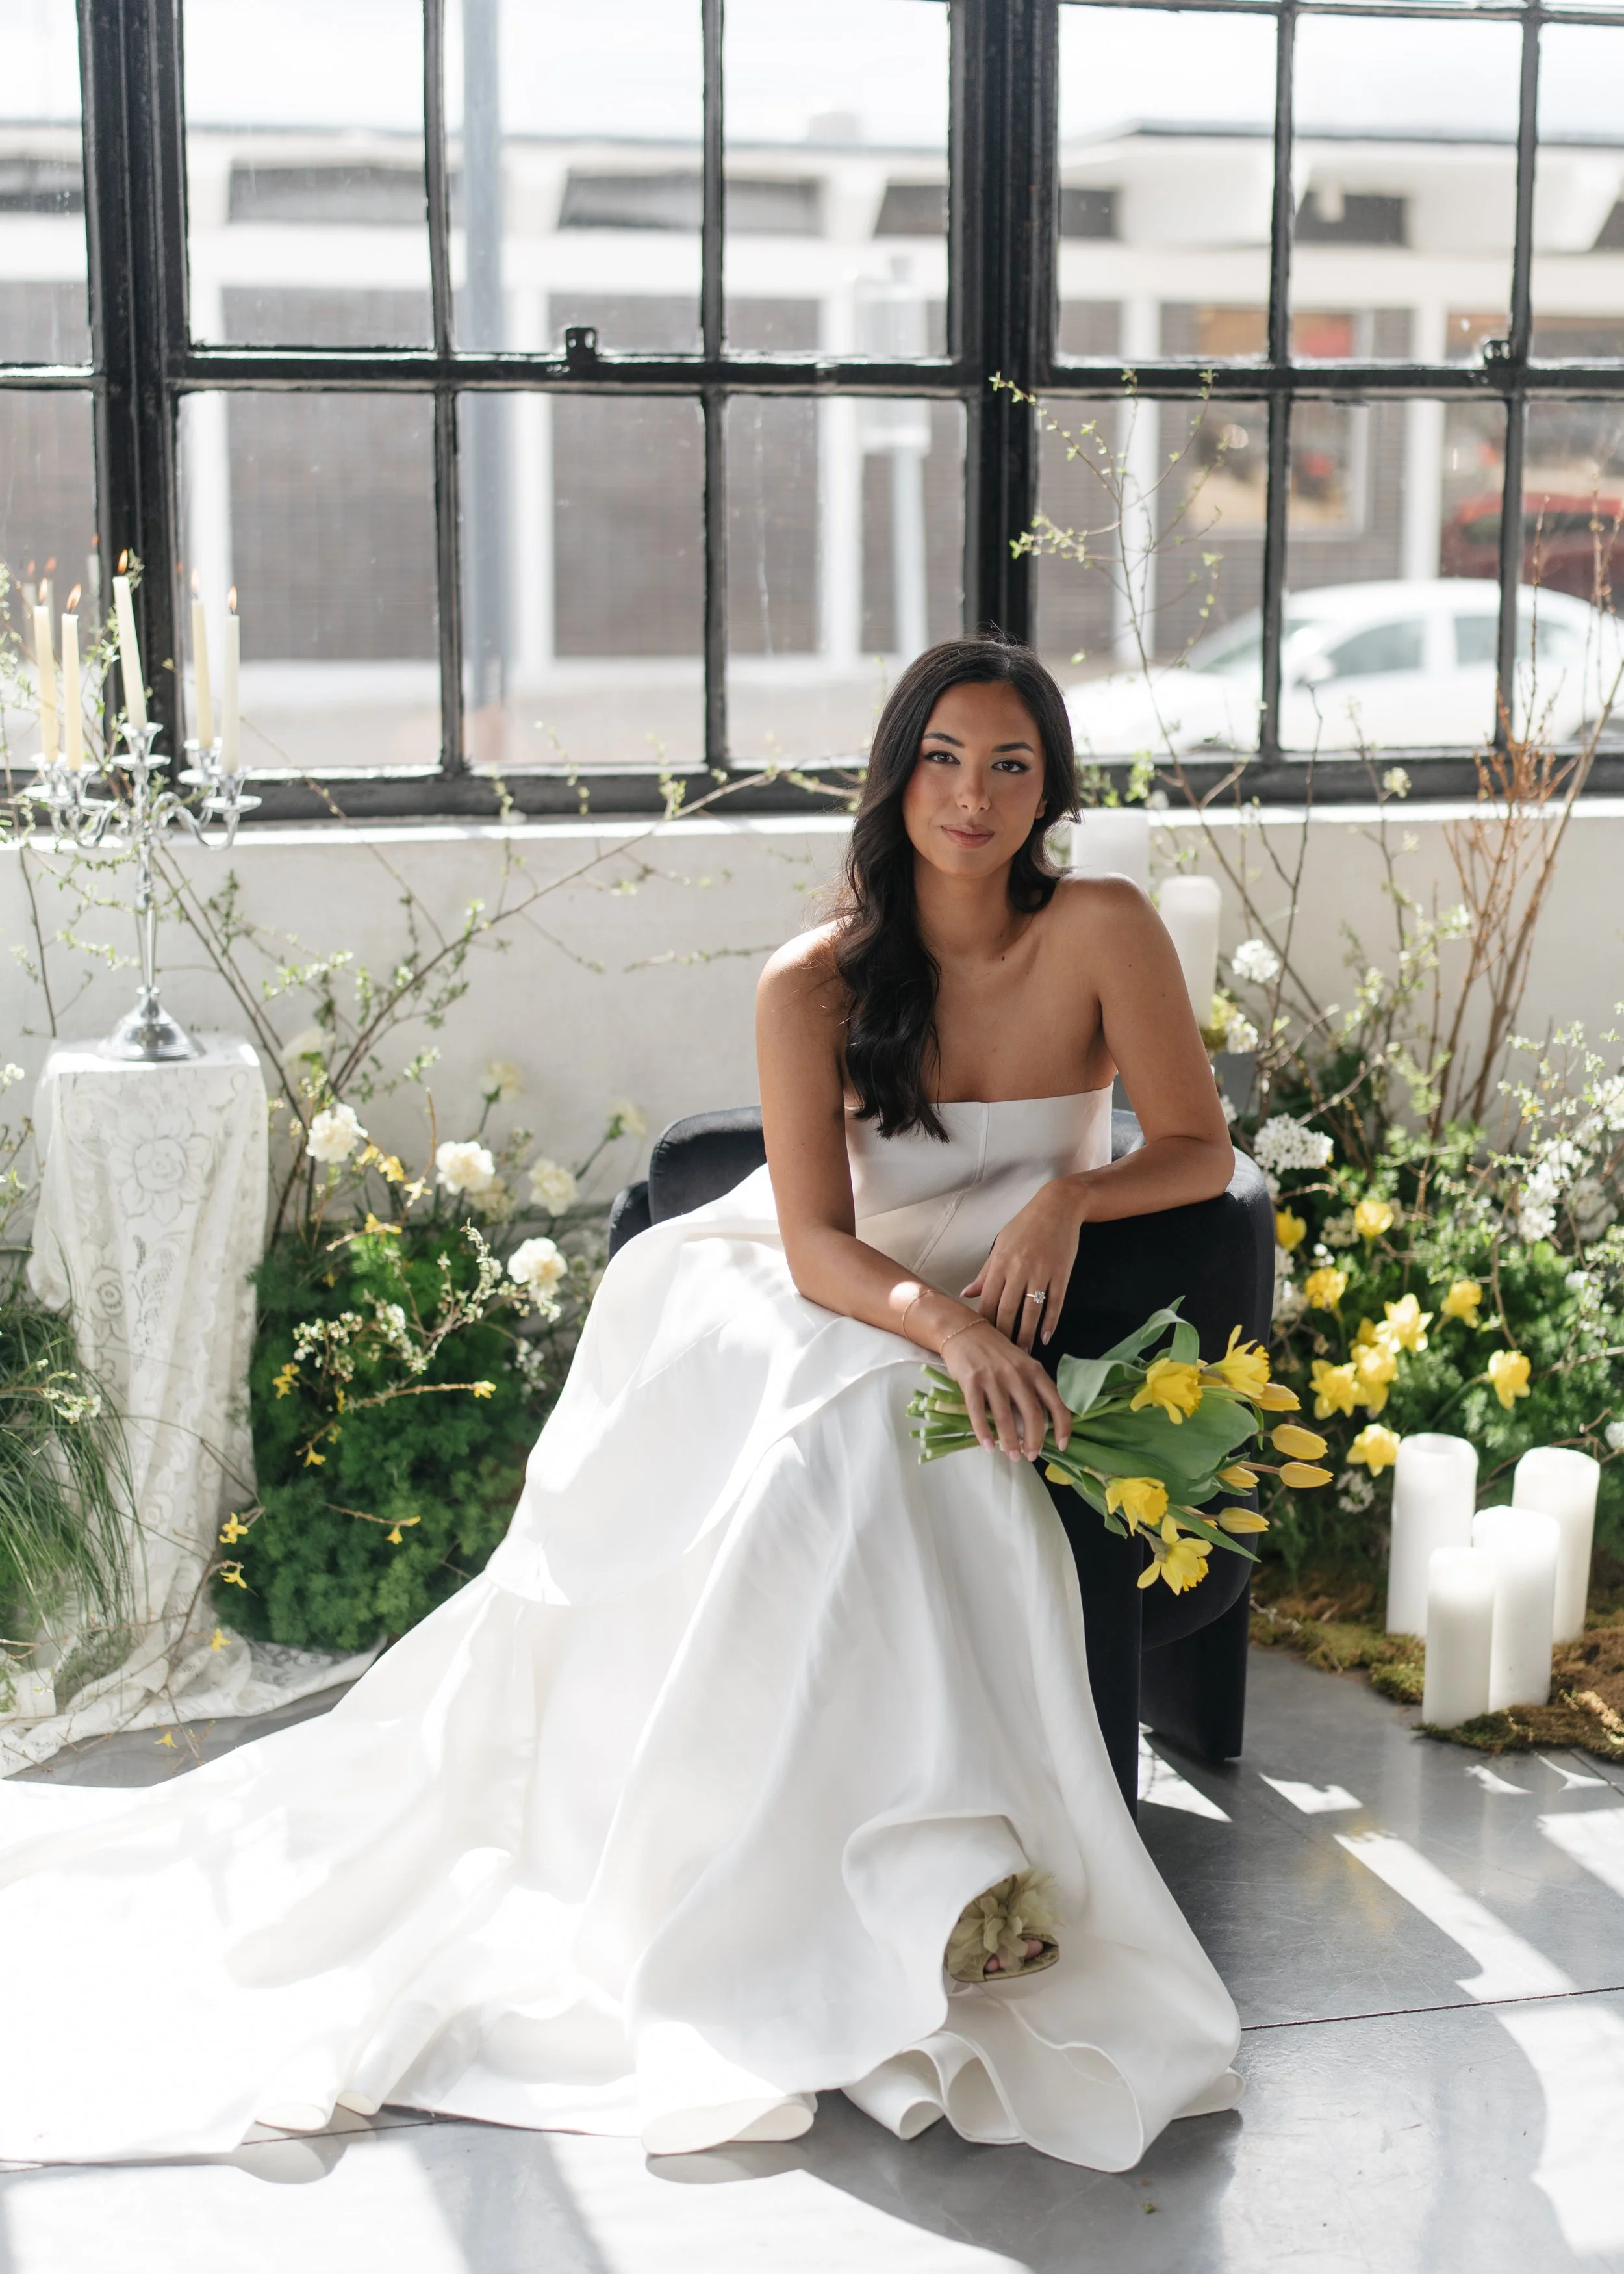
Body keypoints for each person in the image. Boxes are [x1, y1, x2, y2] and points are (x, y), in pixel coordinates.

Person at [0, 635, 1243, 2171]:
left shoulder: (1102, 928)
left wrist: (1066, 1199)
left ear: (1047, 787)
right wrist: (942, 1328)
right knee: (860, 1439)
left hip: (978, 1290)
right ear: (894, 773)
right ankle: (830, 1872)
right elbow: (809, 1241)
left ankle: (924, 1869)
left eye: (1008, 765)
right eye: (942, 758)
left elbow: (1195, 1146)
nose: (972, 796)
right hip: (822, 1291)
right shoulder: (814, 979)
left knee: (915, 1446)